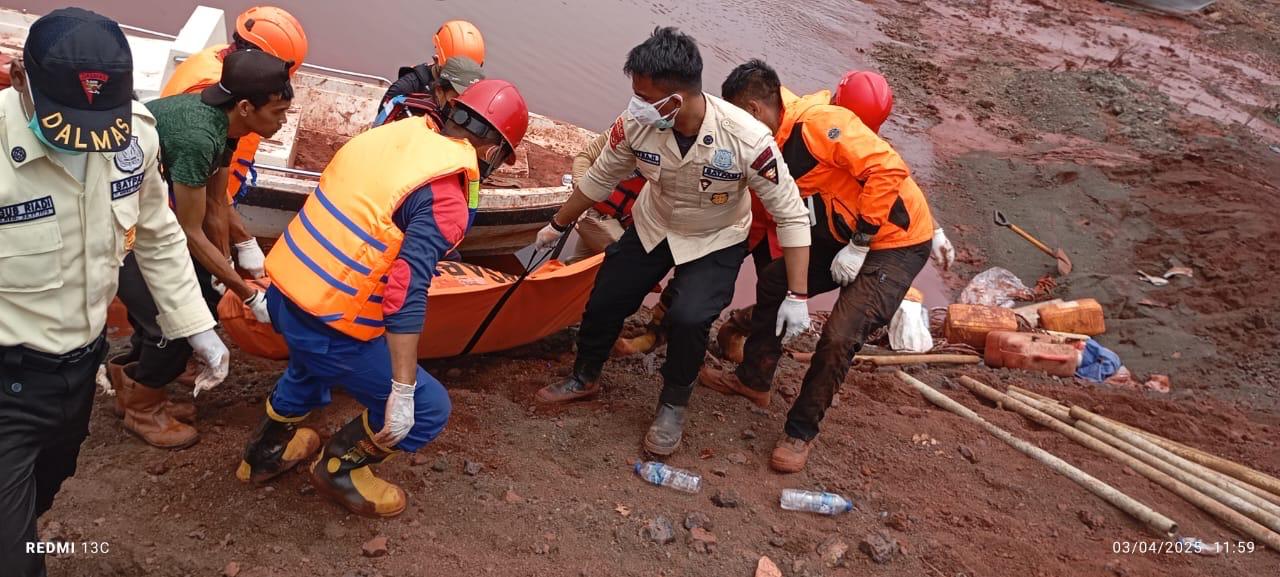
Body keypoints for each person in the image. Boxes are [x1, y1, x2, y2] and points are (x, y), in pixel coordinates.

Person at [0, 9, 227, 575]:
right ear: (19, 79)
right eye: (65, 122)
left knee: (47, 487)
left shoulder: (135, 137)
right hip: (7, 376)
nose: (83, 144)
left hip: (80, 369)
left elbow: (156, 231)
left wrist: (195, 324)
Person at [239, 79, 529, 518]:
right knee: (429, 409)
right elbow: (405, 291)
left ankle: (261, 456)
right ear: (492, 152)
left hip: (285, 295)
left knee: (307, 368)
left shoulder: (394, 133)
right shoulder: (446, 194)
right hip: (330, 326)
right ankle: (338, 468)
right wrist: (403, 390)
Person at [531, 28, 813, 457]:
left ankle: (672, 405)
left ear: (676, 99)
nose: (635, 105)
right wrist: (557, 223)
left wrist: (798, 294)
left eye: (643, 97)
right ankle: (585, 375)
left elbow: (791, 214)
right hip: (655, 222)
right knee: (607, 296)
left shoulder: (747, 139)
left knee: (688, 317)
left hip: (715, 236)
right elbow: (600, 177)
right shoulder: (638, 124)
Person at [702, 59, 945, 473]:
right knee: (775, 281)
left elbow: (888, 168)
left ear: (755, 110)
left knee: (838, 336)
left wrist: (861, 242)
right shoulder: (772, 134)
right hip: (841, 227)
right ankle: (753, 380)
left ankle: (800, 430)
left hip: (893, 240)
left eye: (738, 121)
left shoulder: (819, 125)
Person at [110, 50, 293, 449]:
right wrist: (247, 294)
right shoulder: (198, 137)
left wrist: (228, 262)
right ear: (245, 107)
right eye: (278, 112)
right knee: (173, 324)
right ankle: (142, 409)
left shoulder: (226, 125)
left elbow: (215, 203)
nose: (283, 122)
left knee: (203, 295)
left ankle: (133, 380)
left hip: (147, 214)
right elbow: (189, 230)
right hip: (118, 226)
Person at [162, 5, 308, 276]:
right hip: (184, 201)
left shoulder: (223, 61)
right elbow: (209, 198)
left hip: (213, 194)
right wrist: (230, 259)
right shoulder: (215, 96)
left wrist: (242, 240)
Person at [372, 20, 485, 127]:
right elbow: (379, 130)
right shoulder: (405, 89)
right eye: (457, 70)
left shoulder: (476, 89)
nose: (464, 78)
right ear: (436, 60)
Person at [372, 56, 485, 129]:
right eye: (457, 98)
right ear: (439, 91)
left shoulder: (475, 124)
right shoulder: (412, 118)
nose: (463, 105)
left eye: (470, 100)